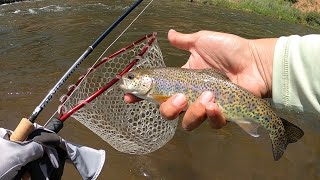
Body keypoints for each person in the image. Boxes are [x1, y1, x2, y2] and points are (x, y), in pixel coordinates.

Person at [124, 29, 320, 131]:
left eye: (132, 78)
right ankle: (274, 126)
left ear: (147, 80)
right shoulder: (152, 86)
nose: (127, 80)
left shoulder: (156, 91)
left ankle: (276, 127)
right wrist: (262, 64)